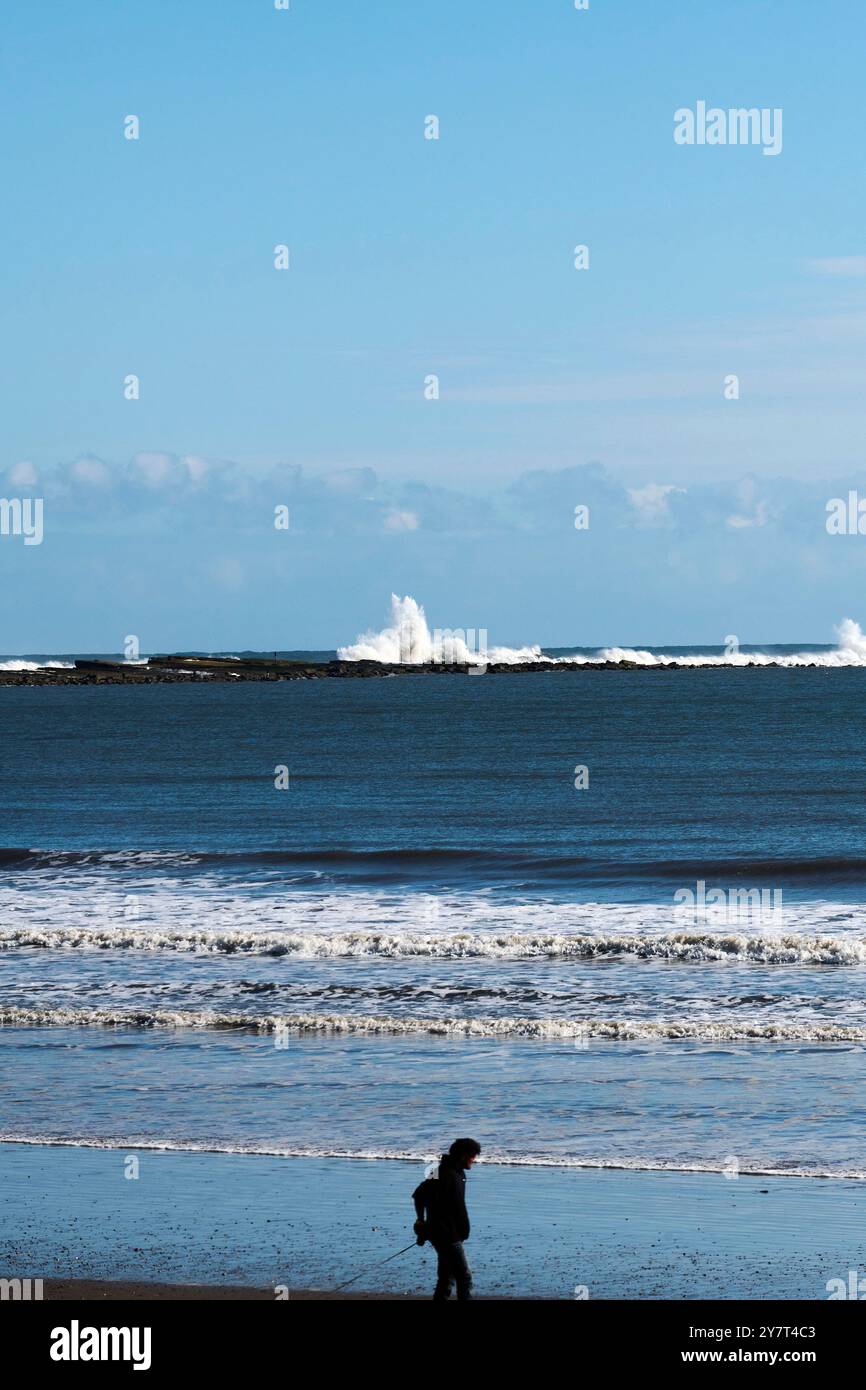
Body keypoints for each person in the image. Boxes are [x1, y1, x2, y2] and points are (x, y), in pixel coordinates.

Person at [412, 1138, 481, 1300]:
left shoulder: (457, 1172)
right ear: (464, 1156)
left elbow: (419, 1196)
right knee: (464, 1277)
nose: (475, 1160)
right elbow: (418, 1196)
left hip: (450, 1232)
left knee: (446, 1277)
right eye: (473, 1156)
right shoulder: (440, 1171)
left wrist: (422, 1222)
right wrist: (420, 1221)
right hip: (446, 1234)